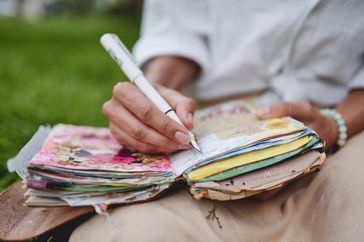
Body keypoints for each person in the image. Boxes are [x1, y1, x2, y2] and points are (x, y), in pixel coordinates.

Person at [70, 1, 364, 241]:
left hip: (347, 125)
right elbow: (177, 29)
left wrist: (335, 124)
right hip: (208, 122)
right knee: (134, 233)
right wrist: (155, 92)